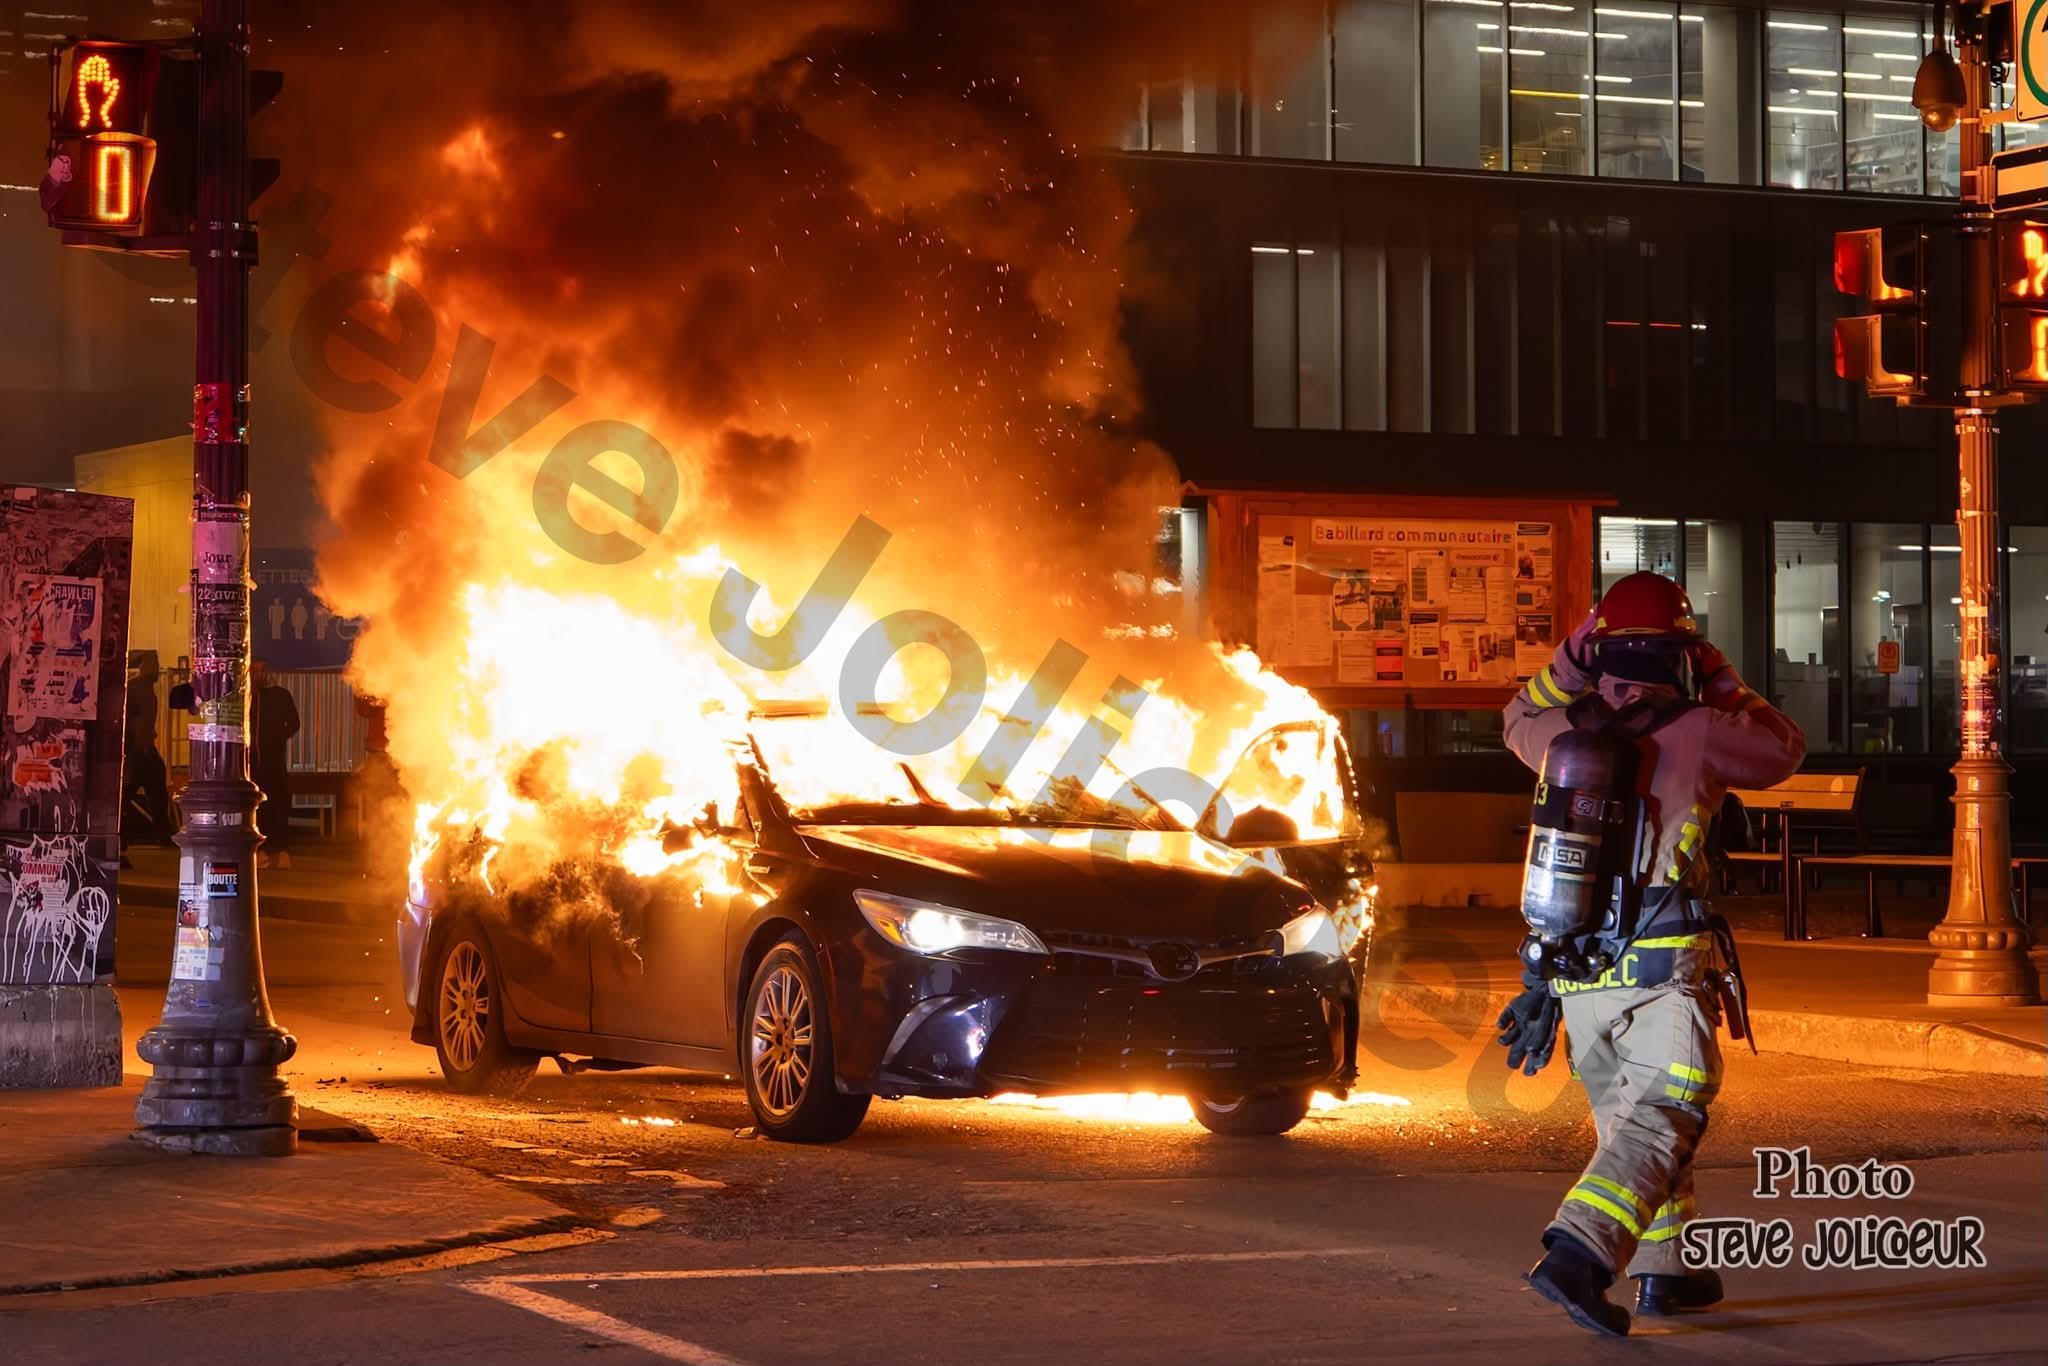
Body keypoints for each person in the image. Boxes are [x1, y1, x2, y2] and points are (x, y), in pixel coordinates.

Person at [1497, 572, 1805, 1337]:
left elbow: (1512, 713)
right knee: (1671, 1103)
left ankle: (1665, 1271)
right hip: (1661, 970)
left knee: (1633, 1128)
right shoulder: (1701, 728)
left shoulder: (1559, 736)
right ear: (1681, 654)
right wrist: (1722, 675)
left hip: (1580, 974)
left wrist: (1573, 653)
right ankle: (1578, 1253)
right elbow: (1783, 749)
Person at [250, 658, 301, 870]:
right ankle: (261, 851)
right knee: (257, 807)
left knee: (278, 804)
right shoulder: (248, 698)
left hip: (274, 761)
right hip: (253, 763)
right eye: (254, 670)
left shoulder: (280, 695)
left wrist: (280, 736)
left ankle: (281, 851)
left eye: (261, 670)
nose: (258, 674)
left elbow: (294, 723)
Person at [121, 652, 173, 855]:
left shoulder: (137, 687)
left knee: (130, 794)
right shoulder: (142, 690)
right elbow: (140, 723)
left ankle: (124, 836)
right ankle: (162, 833)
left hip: (139, 749)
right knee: (154, 791)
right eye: (155, 665)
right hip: (140, 749)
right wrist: (141, 745)